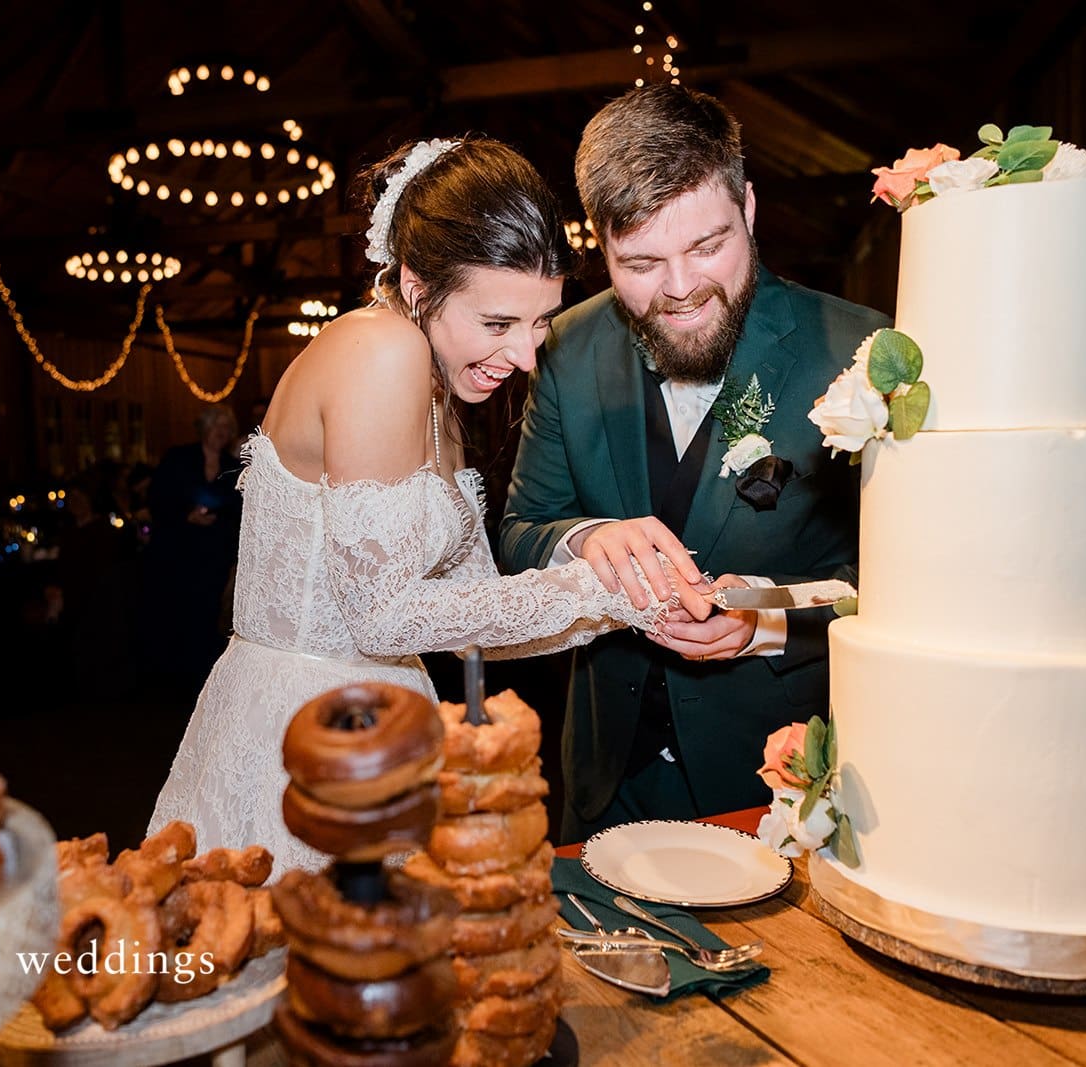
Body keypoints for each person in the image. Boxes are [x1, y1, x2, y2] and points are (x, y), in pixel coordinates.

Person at [149, 137, 710, 872]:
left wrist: (633, 598)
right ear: (418, 286)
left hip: (386, 724)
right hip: (312, 737)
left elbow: (477, 617)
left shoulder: (440, 385)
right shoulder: (380, 350)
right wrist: (587, 586)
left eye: (540, 323)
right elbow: (381, 615)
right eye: (499, 323)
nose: (527, 357)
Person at [499, 84, 890, 843]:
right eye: (640, 262)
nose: (679, 290)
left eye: (707, 247)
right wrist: (582, 539)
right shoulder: (565, 349)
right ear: (600, 245)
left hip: (779, 786)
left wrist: (767, 620)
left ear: (747, 207)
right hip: (603, 779)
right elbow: (519, 532)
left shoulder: (860, 352)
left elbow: (905, 589)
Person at [142, 405, 245, 696]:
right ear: (205, 428)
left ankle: (203, 679)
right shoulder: (178, 458)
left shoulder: (231, 466)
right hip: (177, 550)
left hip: (213, 553)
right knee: (175, 611)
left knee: (207, 614)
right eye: (217, 426)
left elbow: (238, 510)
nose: (221, 433)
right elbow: (158, 498)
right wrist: (186, 515)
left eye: (226, 428)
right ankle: (172, 680)